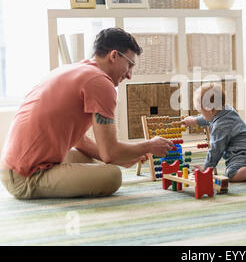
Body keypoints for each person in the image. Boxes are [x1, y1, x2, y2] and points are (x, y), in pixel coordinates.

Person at [0, 28, 174, 199]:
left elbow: (78, 139)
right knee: (112, 175)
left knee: (95, 159)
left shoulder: (75, 70)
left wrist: (120, 157)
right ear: (114, 56)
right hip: (26, 176)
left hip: (11, 166)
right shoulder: (100, 82)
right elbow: (110, 152)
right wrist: (150, 146)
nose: (129, 75)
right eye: (130, 64)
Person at [182, 83, 246, 183]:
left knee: (231, 173)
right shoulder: (228, 110)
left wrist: (206, 168)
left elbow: (215, 150)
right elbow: (211, 118)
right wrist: (194, 120)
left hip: (245, 155)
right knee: (236, 164)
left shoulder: (220, 127)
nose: (201, 115)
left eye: (201, 112)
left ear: (211, 110)